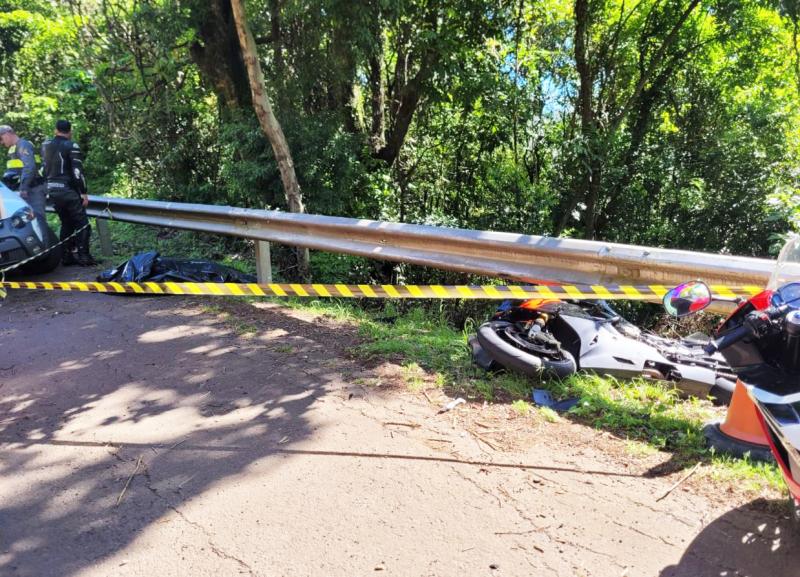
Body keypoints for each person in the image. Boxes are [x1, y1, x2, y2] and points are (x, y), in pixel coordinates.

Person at [41, 119, 96, 266]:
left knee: (66, 223)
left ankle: (66, 257)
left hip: (52, 190)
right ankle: (84, 257)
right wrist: (83, 192)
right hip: (67, 191)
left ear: (55, 130)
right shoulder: (71, 146)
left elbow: (43, 169)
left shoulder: (46, 145)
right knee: (83, 224)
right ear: (70, 131)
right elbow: (78, 172)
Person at [0, 125, 47, 226]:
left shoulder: (23, 145)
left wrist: (23, 188)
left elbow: (29, 167)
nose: (1, 142)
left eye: (1, 138)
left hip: (34, 188)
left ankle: (45, 242)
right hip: (25, 189)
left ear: (8, 133)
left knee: (38, 221)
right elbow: (15, 171)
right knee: (29, 222)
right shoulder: (13, 149)